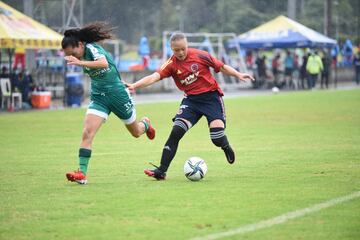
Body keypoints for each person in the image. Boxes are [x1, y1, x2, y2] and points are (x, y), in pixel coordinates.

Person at [126, 32, 254, 180]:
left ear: (187, 45)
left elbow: (222, 66)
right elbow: (154, 77)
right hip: (191, 102)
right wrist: (134, 85)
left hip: (211, 98)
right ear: (171, 49)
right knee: (176, 132)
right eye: (176, 50)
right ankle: (161, 171)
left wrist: (238, 74)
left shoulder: (201, 55)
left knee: (217, 138)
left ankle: (225, 146)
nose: (180, 53)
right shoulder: (171, 64)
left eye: (183, 49)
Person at [62, 22, 155, 184]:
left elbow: (104, 63)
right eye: (70, 55)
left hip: (118, 96)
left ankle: (145, 124)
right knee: (87, 133)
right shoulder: (81, 55)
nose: (74, 57)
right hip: (99, 97)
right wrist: (80, 61)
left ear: (80, 44)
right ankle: (82, 174)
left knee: (136, 133)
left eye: (74, 53)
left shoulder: (91, 48)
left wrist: (80, 63)